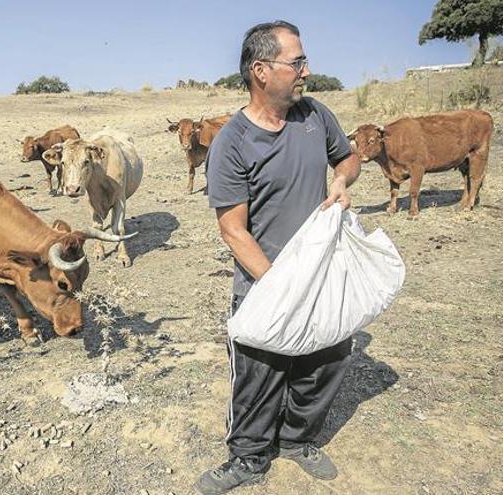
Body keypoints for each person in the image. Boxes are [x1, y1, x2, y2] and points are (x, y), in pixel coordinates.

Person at [194, 20, 362, 494]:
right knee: (258, 376)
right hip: (263, 283)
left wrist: (340, 180)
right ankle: (248, 457)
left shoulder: (315, 115)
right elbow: (232, 229)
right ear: (261, 71)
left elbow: (348, 158)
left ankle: (297, 440)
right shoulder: (232, 142)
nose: (308, 70)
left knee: (325, 360)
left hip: (322, 275)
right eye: (298, 61)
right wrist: (282, 286)